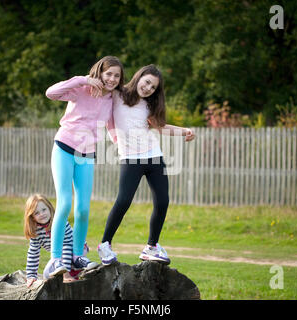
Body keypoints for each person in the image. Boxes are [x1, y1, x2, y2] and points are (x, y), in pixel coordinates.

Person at [98, 64, 195, 265]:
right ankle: (105, 244)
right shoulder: (118, 93)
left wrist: (185, 131)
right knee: (123, 201)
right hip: (130, 159)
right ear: (139, 76)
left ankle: (151, 247)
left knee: (162, 201)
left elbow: (161, 127)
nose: (148, 88)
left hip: (154, 157)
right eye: (147, 82)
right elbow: (103, 104)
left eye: (153, 87)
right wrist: (114, 136)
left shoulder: (149, 105)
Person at [45, 56, 124, 275]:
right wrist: (83, 80)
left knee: (82, 209)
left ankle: (78, 255)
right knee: (64, 203)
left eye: (116, 76)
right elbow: (51, 93)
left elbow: (111, 128)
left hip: (86, 155)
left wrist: (121, 146)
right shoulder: (81, 89)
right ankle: (55, 259)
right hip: (64, 148)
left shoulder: (111, 100)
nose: (112, 78)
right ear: (99, 72)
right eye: (109, 73)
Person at [24, 194, 87, 287]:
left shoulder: (61, 223)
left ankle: (77, 268)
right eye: (36, 213)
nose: (41, 214)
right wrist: (31, 275)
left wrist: (66, 273)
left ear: (50, 208)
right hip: (60, 255)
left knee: (67, 274)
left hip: (76, 250)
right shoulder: (35, 231)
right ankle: (71, 271)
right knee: (48, 274)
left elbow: (67, 246)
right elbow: (33, 253)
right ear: (32, 217)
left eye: (44, 210)